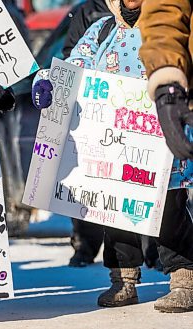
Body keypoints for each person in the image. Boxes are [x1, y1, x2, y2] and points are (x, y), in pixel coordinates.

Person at [31, 0, 193, 311]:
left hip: (162, 151)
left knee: (169, 214)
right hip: (113, 150)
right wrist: (46, 82)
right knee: (116, 218)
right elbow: (71, 68)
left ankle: (184, 277)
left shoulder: (166, 28)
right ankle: (123, 279)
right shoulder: (101, 32)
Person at [139, 0, 193, 312]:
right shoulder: (100, 33)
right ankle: (182, 275)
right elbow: (164, 14)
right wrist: (167, 87)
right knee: (168, 204)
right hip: (153, 132)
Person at [62, 0, 111, 268]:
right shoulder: (87, 12)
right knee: (88, 186)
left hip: (134, 114)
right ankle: (85, 247)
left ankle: (152, 253)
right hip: (94, 113)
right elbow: (72, 54)